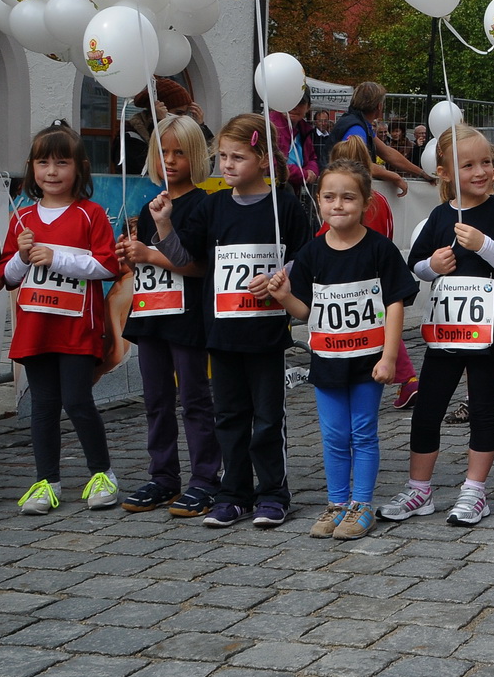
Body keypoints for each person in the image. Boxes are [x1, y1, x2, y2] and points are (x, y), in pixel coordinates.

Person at [160, 113, 313, 529]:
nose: (227, 165)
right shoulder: (212, 205)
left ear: (263, 159)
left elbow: (305, 257)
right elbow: (185, 258)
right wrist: (161, 225)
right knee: (227, 416)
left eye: (237, 157)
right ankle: (234, 493)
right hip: (222, 333)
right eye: (222, 157)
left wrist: (281, 278)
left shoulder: (284, 205)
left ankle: (273, 492)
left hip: (265, 334)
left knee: (267, 418)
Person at [383, 124, 494, 528]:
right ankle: (420, 488)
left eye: (487, 162)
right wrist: (434, 266)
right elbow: (417, 266)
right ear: (445, 174)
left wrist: (483, 245)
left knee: (483, 409)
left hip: (490, 331)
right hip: (446, 331)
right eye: (468, 165)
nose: (481, 171)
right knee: (428, 408)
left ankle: (474, 491)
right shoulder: (441, 215)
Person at [270, 161, 414, 541]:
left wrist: (388, 356)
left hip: (368, 361)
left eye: (348, 197)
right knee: (333, 435)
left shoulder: (380, 249)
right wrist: (285, 297)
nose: (338, 204)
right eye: (329, 197)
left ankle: (362, 504)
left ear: (366, 202)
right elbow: (305, 310)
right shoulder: (313, 253)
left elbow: (396, 302)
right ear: (318, 201)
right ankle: (337, 503)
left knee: (363, 432)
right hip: (327, 360)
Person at [0, 125, 121, 514]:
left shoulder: (90, 214)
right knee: (43, 407)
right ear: (32, 168)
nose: (51, 171)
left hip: (76, 328)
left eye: (61, 162)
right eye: (42, 162)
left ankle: (102, 474)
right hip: (36, 329)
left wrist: (56, 257)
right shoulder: (22, 218)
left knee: (78, 401)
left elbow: (107, 266)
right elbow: (7, 276)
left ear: (79, 168)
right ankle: (45, 481)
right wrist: (21, 255)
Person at [113, 115, 220, 518]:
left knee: (194, 398)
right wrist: (131, 257)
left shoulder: (203, 204)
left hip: (187, 315)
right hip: (152, 313)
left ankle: (205, 478)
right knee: (155, 399)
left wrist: (149, 253)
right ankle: (163, 476)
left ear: (194, 155)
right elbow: (144, 263)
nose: (170, 160)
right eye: (163, 152)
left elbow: (197, 265)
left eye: (179, 152)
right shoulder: (149, 202)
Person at [333, 82, 431, 196]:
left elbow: (387, 153)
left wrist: (421, 173)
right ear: (379, 106)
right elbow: (358, 164)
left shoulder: (359, 124)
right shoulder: (356, 129)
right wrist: (393, 176)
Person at [271, 91, 320, 208]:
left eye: (300, 102)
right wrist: (303, 174)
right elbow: (272, 164)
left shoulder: (303, 129)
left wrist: (312, 171)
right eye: (290, 101)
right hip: (276, 192)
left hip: (293, 192)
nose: (294, 106)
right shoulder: (272, 125)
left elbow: (312, 157)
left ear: (308, 107)